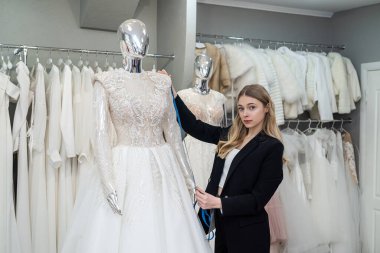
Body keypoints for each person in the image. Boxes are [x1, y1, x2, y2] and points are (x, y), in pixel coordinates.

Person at [170, 79, 284, 253]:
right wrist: (173, 94)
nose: (245, 113)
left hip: (248, 232)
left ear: (266, 108)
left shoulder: (272, 147)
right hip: (222, 223)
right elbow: (194, 126)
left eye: (252, 107)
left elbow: (257, 200)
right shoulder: (231, 133)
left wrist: (218, 202)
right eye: (241, 108)